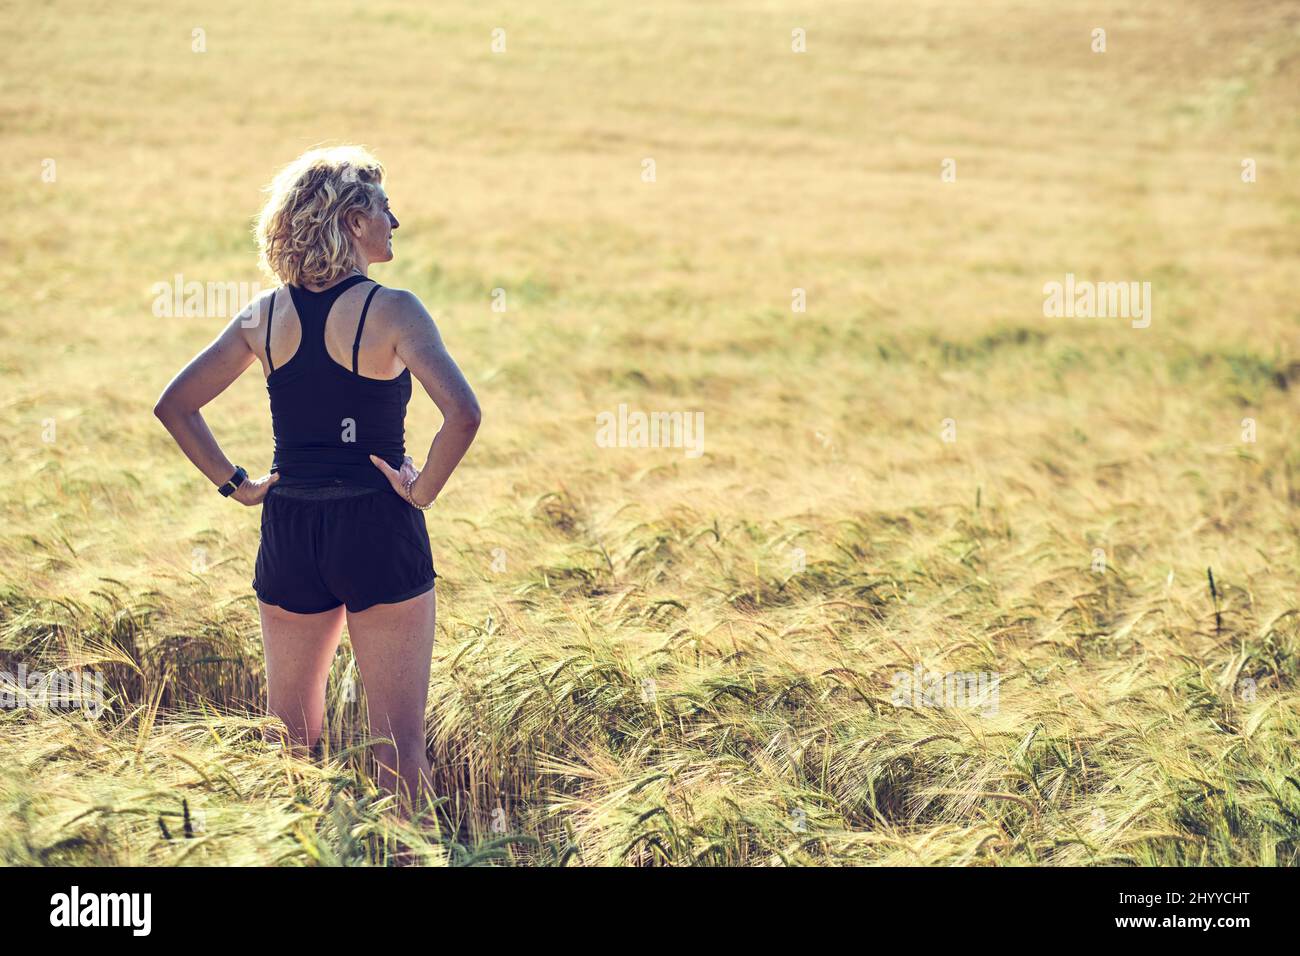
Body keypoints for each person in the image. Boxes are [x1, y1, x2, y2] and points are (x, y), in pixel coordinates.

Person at [153, 146, 481, 817]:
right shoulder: (395, 311)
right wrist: (421, 491)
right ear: (354, 220)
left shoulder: (263, 316)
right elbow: (464, 413)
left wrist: (236, 484)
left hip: (289, 531)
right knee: (398, 747)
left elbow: (175, 405)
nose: (397, 219)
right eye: (384, 207)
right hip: (377, 529)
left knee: (291, 743)